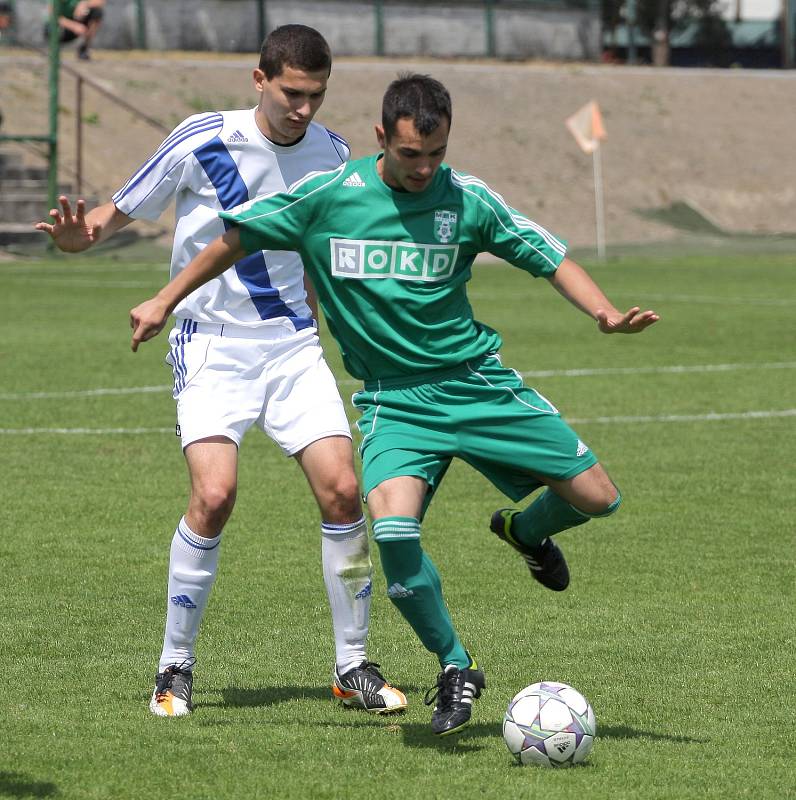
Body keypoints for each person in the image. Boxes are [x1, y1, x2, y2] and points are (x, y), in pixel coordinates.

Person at [126, 73, 660, 736]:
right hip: (395, 403)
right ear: (383, 138)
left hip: (477, 384)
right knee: (394, 533)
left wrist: (604, 312)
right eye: (410, 155)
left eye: (435, 154)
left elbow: (548, 256)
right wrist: (164, 298)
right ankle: (455, 666)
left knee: (599, 497)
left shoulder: (466, 199)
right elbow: (236, 237)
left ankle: (524, 531)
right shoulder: (328, 196)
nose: (424, 168)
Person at [34, 25, 406, 718]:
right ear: (259, 80)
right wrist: (83, 238)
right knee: (214, 496)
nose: (303, 109)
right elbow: (122, 207)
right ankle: (174, 666)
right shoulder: (204, 137)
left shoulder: (333, 154)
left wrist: (346, 333)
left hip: (293, 344)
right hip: (210, 342)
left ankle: (352, 665)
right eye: (292, 93)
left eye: (316, 96)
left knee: (344, 491)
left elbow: (321, 251)